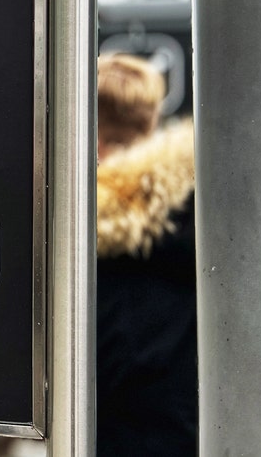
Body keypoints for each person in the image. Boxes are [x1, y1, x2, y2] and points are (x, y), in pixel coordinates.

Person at [95, 53, 197, 455]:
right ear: (151, 121)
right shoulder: (199, 210)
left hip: (105, 433)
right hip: (187, 431)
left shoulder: (76, 219)